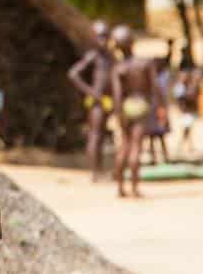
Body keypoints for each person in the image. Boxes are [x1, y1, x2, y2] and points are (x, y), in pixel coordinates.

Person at [111, 24, 160, 198]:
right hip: (141, 106)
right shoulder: (144, 64)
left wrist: (119, 114)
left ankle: (120, 188)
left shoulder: (118, 68)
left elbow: (117, 95)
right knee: (136, 149)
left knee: (123, 146)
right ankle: (134, 188)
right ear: (132, 42)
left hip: (126, 107)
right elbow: (155, 89)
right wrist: (160, 110)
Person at [68, 18, 115, 181]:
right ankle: (95, 172)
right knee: (95, 135)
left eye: (105, 36)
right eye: (99, 37)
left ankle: (100, 169)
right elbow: (74, 74)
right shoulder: (93, 56)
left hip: (107, 101)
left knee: (102, 135)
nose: (103, 40)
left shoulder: (109, 56)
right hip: (96, 101)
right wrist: (92, 92)